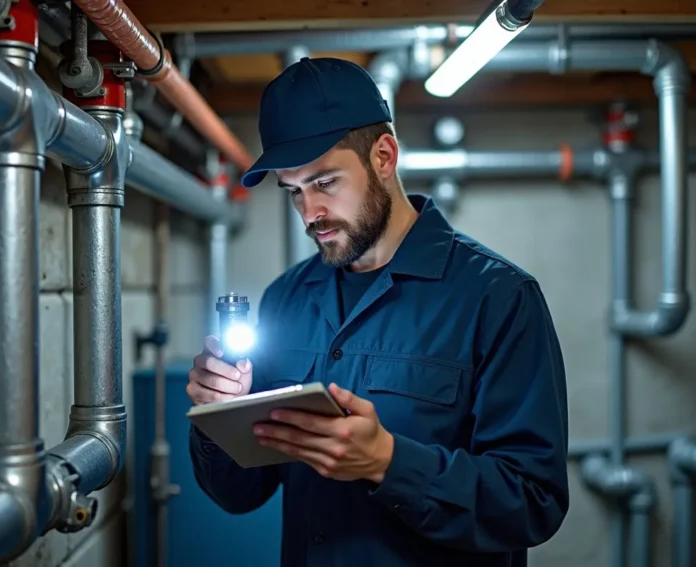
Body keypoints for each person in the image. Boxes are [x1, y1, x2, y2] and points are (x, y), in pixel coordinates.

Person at [187, 56, 569, 567]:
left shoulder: (498, 298)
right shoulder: (286, 299)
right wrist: (216, 416)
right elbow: (239, 495)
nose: (310, 213)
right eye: (293, 191)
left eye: (324, 183)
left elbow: (532, 502)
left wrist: (390, 463)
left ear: (384, 156)